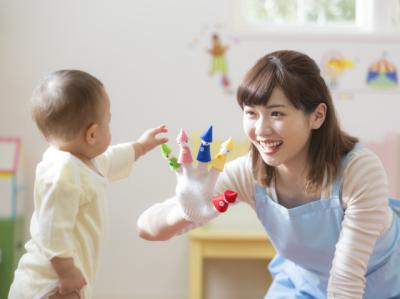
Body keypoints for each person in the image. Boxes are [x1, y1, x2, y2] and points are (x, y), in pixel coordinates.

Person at [137, 50, 400, 298]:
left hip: (386, 284)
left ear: (317, 116)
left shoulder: (359, 170)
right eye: (251, 113)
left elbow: (346, 282)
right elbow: (147, 229)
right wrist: (183, 211)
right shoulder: (247, 172)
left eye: (276, 113)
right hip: (303, 286)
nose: (260, 130)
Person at [9, 70, 168, 299]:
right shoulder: (62, 172)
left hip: (61, 275)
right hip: (51, 282)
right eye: (108, 122)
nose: (109, 127)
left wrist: (141, 146)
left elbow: (109, 160)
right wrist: (66, 272)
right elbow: (52, 228)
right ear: (92, 134)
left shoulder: (81, 160)